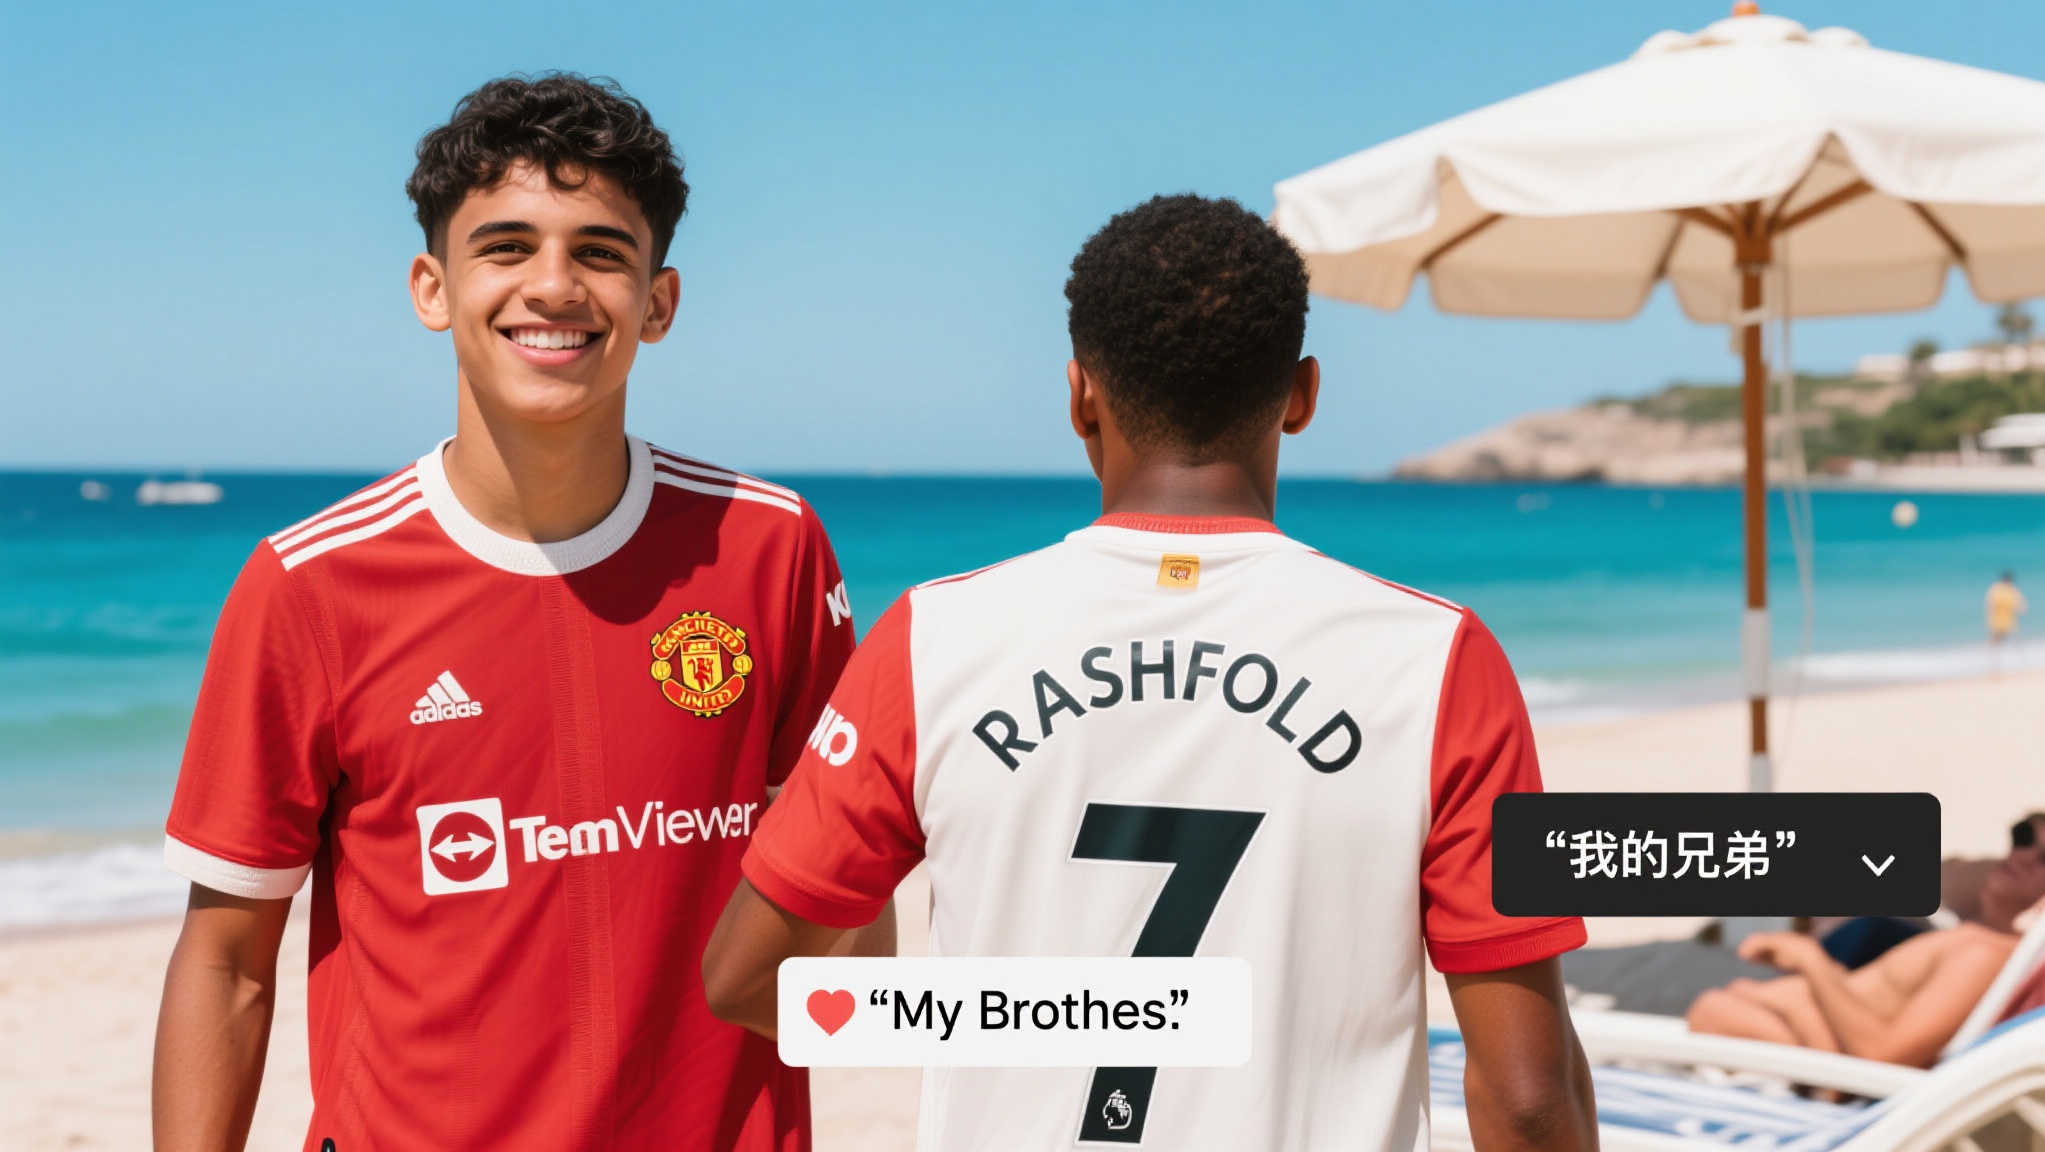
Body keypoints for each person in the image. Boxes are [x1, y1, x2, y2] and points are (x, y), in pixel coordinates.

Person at [700, 195, 1597, 1151]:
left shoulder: (934, 639)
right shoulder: (1437, 659)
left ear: (1080, 394)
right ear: (1302, 395)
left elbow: (748, 979)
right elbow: (1528, 1096)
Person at [152, 74, 870, 1151]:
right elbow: (227, 961)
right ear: (431, 288)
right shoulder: (310, 585)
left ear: (658, 303)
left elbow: (844, 903)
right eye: (505, 247)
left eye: (600, 252)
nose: (554, 286)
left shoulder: (770, 546)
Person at [1686, 813, 2045, 1067]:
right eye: (2023, 837)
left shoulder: (1985, 954)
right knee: (1718, 1004)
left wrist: (1810, 962)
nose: (2023, 856)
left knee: (1712, 1009)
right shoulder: (1974, 937)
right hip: (1804, 1044)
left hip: (1834, 1073)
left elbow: (1884, 1054)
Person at [1988, 571, 2026, 646]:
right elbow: (1991, 603)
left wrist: (2020, 608)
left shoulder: (2011, 589)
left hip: (2008, 617)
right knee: (1997, 635)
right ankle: (1993, 650)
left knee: (2007, 635)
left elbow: (2019, 601)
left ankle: (2016, 649)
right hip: (1998, 617)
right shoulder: (1997, 588)